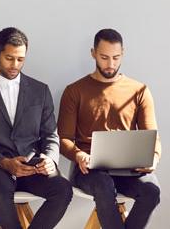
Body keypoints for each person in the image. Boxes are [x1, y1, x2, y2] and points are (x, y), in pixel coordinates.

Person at [0, 28, 72, 229]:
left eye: (20, 59)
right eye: (9, 58)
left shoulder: (41, 91)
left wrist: (50, 159)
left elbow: (50, 135)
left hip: (33, 165)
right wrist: (3, 162)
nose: (15, 65)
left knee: (63, 190)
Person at [58, 29, 162, 229]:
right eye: (104, 57)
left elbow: (153, 136)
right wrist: (79, 155)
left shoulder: (139, 91)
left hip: (128, 169)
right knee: (104, 186)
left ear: (123, 53)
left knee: (151, 190)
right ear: (93, 53)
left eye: (116, 57)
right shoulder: (74, 91)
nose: (111, 64)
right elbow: (63, 139)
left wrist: (154, 158)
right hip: (88, 170)